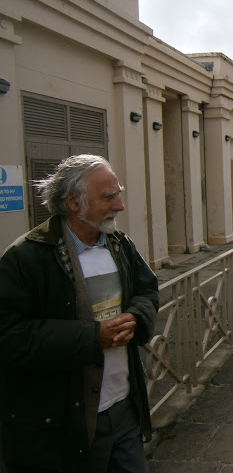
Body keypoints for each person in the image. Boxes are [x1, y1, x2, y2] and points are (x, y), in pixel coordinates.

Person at [0, 155, 158, 472]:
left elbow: (147, 290)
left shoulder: (119, 244)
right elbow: (9, 336)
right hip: (65, 424)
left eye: (119, 193)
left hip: (125, 409)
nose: (120, 206)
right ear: (74, 202)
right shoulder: (26, 257)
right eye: (108, 197)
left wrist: (138, 316)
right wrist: (91, 337)